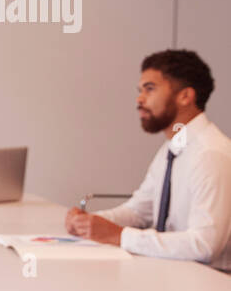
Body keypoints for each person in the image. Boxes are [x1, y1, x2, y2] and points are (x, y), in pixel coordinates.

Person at [65, 49, 231, 271]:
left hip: (212, 284)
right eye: (140, 90)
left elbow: (204, 245)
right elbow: (139, 211)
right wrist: (90, 223)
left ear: (185, 96)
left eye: (150, 89)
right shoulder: (172, 149)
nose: (139, 99)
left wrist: (120, 236)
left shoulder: (211, 154)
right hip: (176, 275)